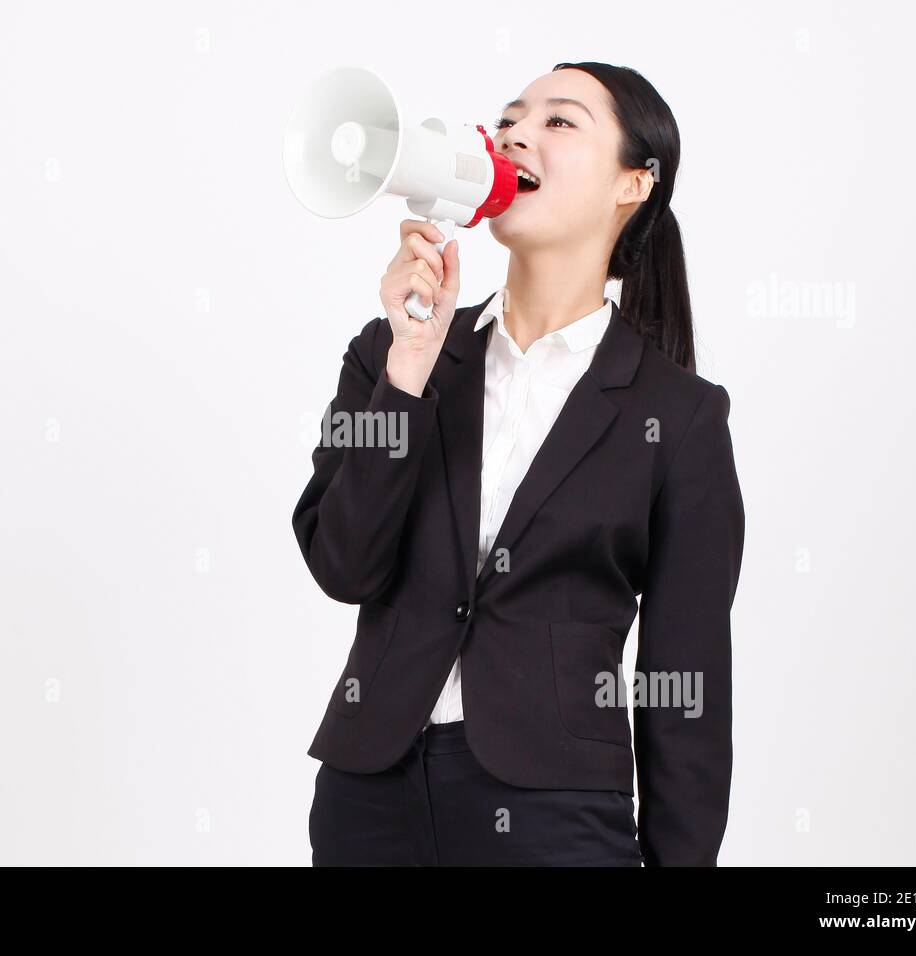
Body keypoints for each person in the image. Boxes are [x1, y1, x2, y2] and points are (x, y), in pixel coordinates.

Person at [294, 61, 746, 866]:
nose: (515, 134)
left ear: (633, 185)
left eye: (560, 121)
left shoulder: (678, 416)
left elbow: (687, 688)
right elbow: (343, 562)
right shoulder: (392, 353)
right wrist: (408, 374)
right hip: (368, 800)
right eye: (509, 118)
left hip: (552, 814)